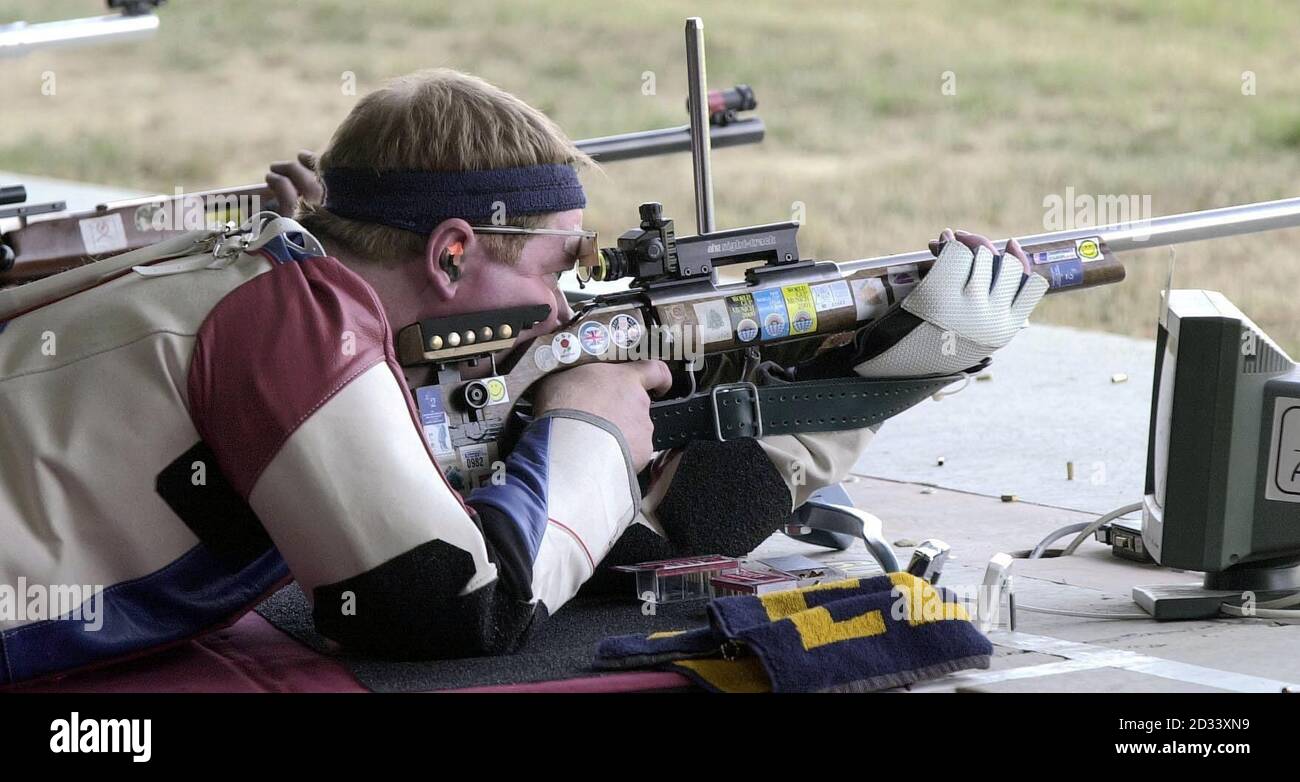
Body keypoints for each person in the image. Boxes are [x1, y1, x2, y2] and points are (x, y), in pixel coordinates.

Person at [0, 69, 1045, 684]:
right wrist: (586, 419)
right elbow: (448, 599)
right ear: (451, 254)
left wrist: (871, 378)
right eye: (556, 265)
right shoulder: (295, 322)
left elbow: (625, 551)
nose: (561, 304)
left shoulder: (268, 273)